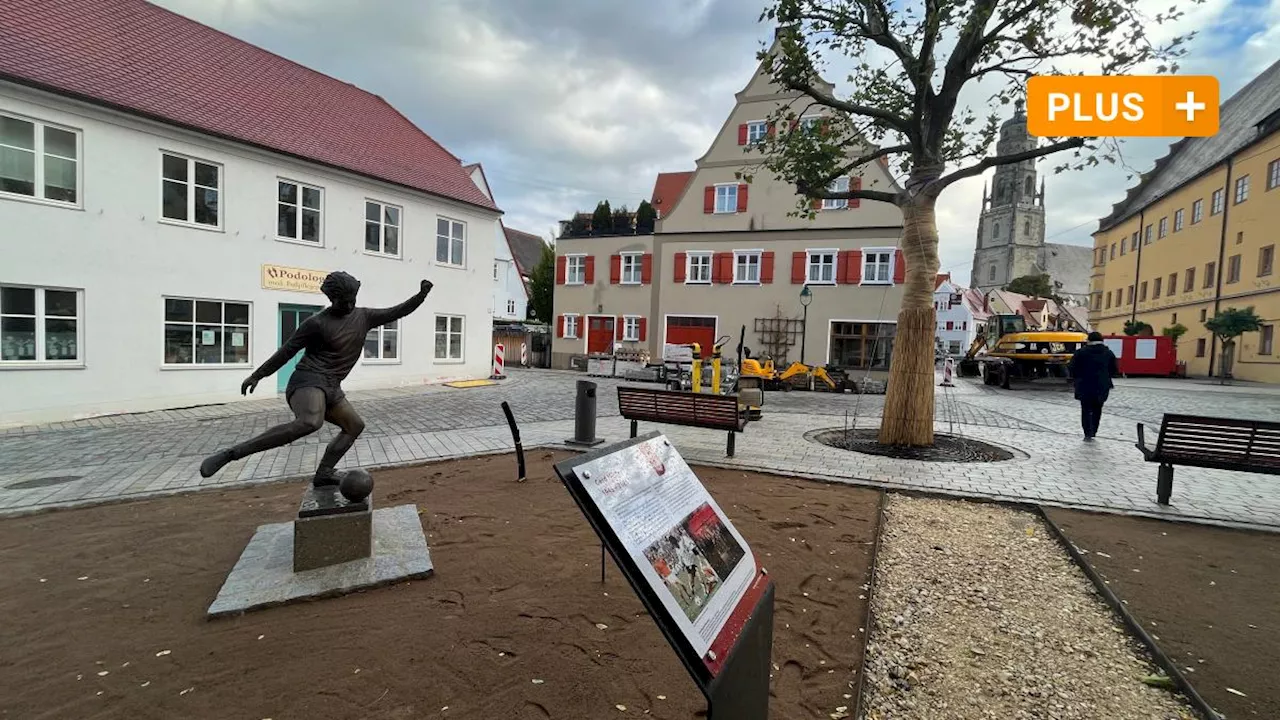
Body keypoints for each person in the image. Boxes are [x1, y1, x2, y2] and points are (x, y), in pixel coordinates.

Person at [199, 272, 433, 484]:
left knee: (354, 426)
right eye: (344, 301)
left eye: (353, 299)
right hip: (307, 382)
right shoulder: (317, 323)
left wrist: (420, 295)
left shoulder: (364, 317)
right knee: (310, 422)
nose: (350, 304)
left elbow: (398, 311)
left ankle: (324, 473)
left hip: (332, 388)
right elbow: (287, 351)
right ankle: (230, 454)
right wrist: (258, 375)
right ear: (332, 299)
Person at [1068, 331, 1119, 441]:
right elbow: (1114, 370)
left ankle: (1087, 432)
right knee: (1098, 408)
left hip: (1084, 385)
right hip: (1102, 386)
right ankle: (1094, 430)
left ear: (1089, 340)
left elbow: (1072, 368)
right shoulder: (1108, 353)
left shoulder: (1080, 353)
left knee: (1085, 409)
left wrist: (1077, 378)